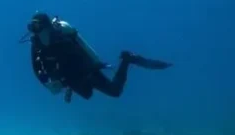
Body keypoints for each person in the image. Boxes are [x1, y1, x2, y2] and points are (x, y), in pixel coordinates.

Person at [26, 12, 171, 102]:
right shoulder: (37, 46)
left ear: (47, 26)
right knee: (88, 94)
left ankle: (127, 59)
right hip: (71, 79)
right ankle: (127, 60)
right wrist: (50, 84)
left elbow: (78, 60)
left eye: (37, 27)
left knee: (115, 92)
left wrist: (66, 83)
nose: (35, 32)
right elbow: (37, 69)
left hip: (86, 72)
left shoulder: (62, 40)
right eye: (32, 28)